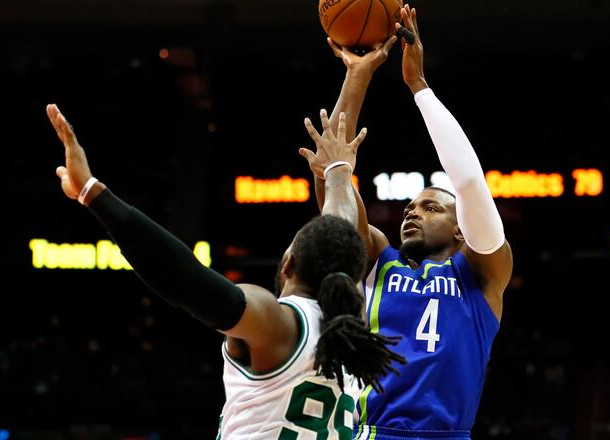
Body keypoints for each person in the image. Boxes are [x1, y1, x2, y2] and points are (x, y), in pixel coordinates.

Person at [45, 104, 405, 438]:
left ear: (288, 263)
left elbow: (186, 279)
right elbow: (340, 226)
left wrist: (92, 192)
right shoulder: (351, 328)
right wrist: (339, 170)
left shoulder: (280, 323)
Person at [304, 5, 513, 439]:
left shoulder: (482, 276)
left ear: (462, 230)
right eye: (409, 209)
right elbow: (333, 181)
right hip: (369, 431)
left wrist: (418, 86)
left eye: (432, 207)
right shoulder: (381, 261)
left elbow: (471, 182)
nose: (413, 211)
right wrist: (357, 76)